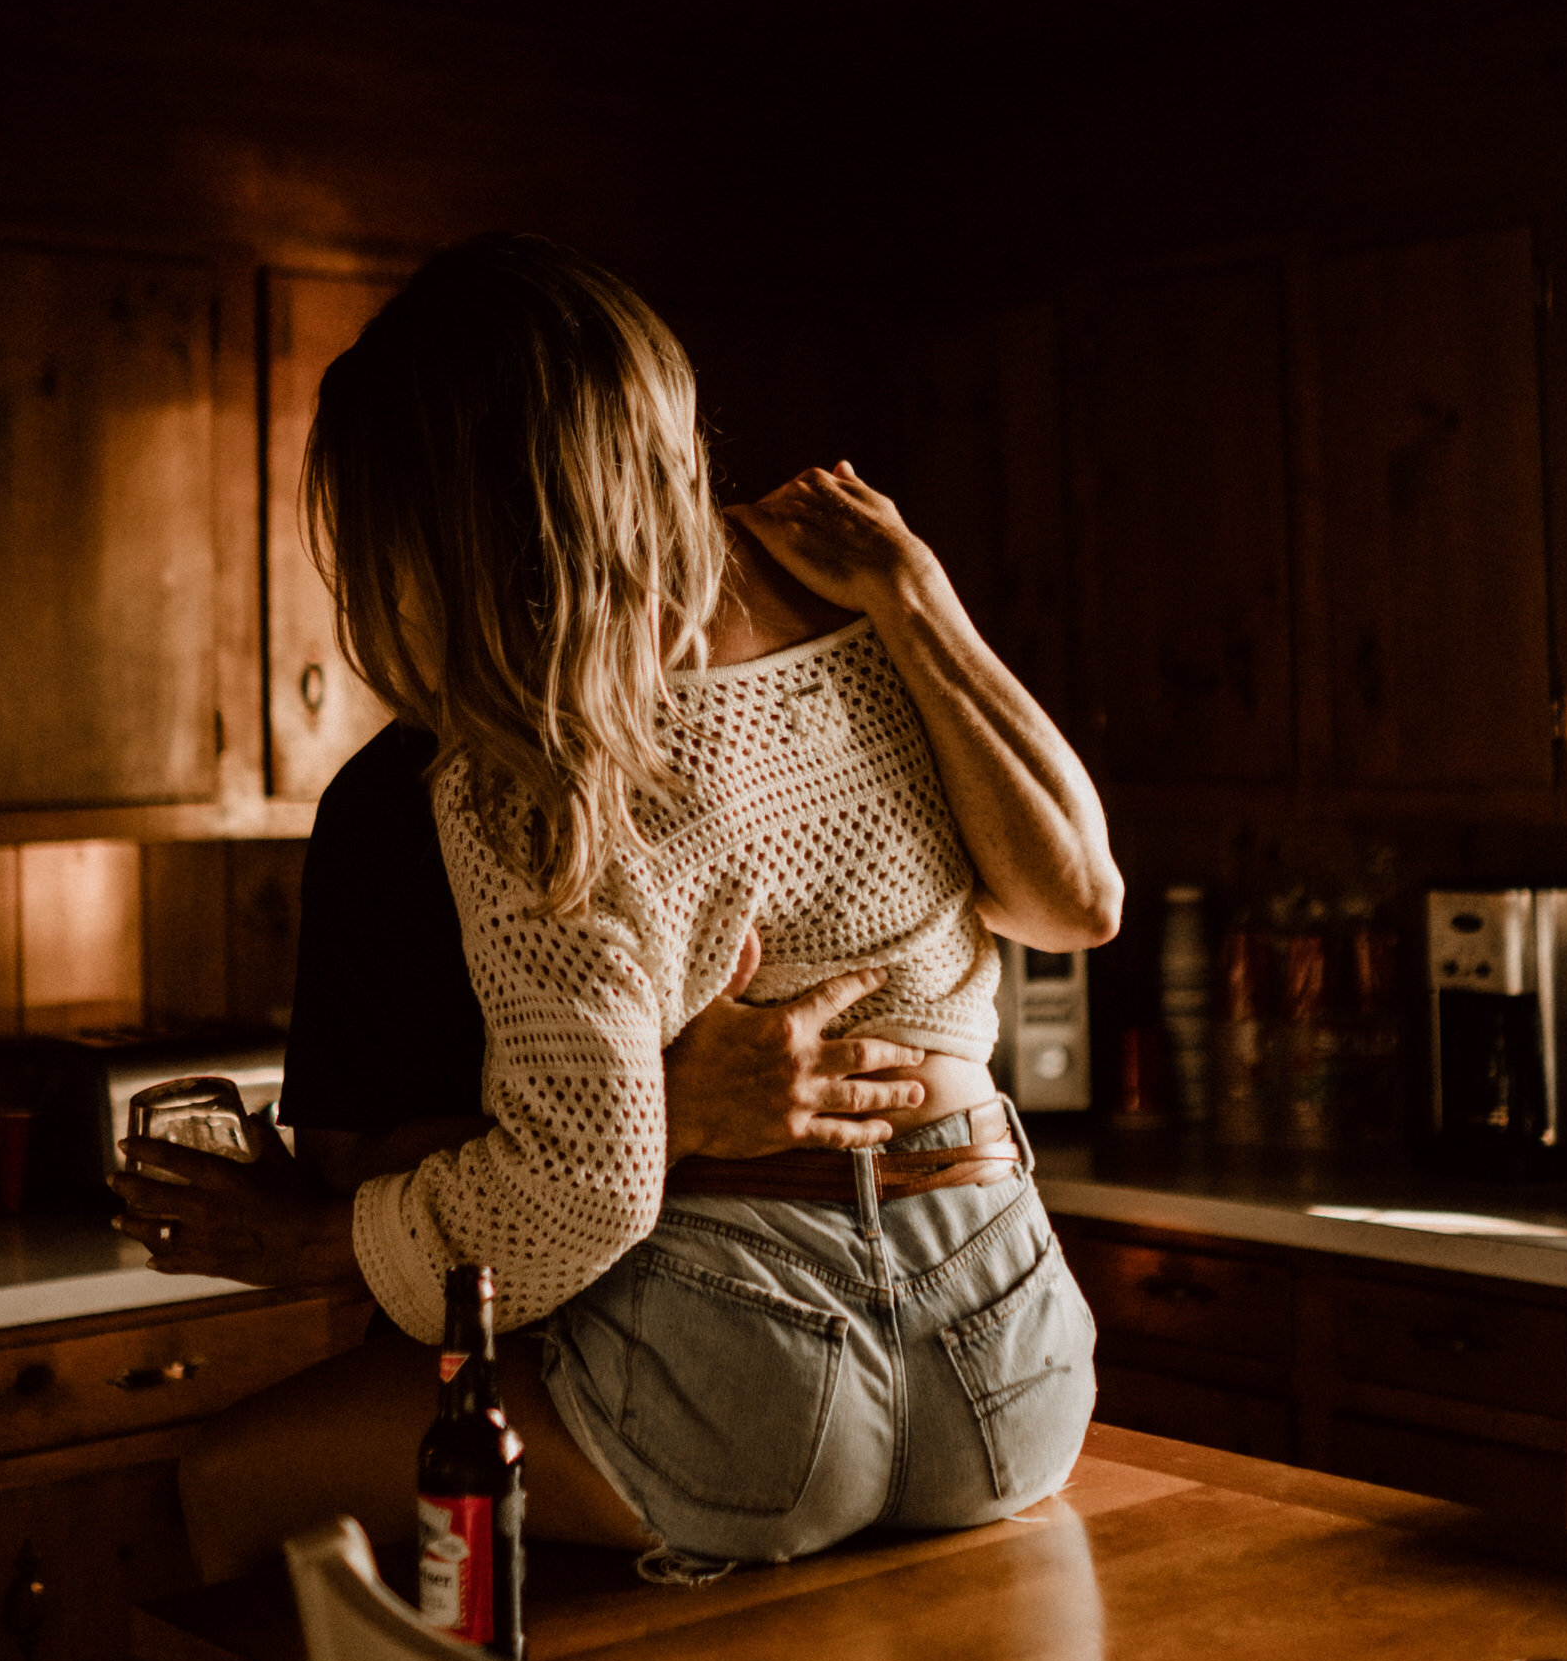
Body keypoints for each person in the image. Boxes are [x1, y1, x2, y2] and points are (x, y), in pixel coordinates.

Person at [113, 234, 1122, 1581]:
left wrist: (309, 1240)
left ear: (446, 527)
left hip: (755, 1375)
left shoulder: (526, 762)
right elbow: (1078, 897)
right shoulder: (855, 598)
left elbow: (580, 1189)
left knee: (218, 1485)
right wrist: (915, 585)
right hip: (1018, 1344)